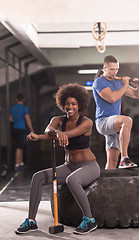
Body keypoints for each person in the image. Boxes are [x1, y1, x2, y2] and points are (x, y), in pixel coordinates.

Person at [15, 83, 100, 235]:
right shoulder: (58, 120)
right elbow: (49, 130)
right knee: (38, 177)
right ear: (62, 105)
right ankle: (31, 220)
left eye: (73, 103)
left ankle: (90, 220)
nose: (70, 106)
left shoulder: (87, 122)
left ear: (79, 104)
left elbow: (73, 133)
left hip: (89, 166)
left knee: (72, 180)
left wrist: (60, 134)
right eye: (67, 104)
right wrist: (43, 135)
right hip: (68, 166)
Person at [93, 55, 139, 169]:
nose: (115, 72)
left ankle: (105, 186)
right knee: (127, 120)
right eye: (111, 69)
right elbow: (112, 98)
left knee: (112, 161)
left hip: (114, 124)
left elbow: (136, 95)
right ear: (104, 68)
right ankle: (125, 158)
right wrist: (125, 84)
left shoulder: (118, 82)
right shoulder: (99, 82)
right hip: (103, 122)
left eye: (116, 69)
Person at [10, 94, 34, 171]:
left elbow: (10, 119)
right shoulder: (24, 108)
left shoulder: (13, 108)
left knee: (20, 145)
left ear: (17, 100)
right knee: (19, 147)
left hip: (15, 128)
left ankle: (21, 163)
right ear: (23, 100)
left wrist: (17, 120)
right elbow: (27, 119)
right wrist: (31, 129)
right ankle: (17, 164)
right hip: (21, 128)